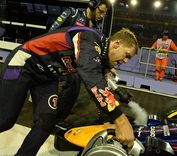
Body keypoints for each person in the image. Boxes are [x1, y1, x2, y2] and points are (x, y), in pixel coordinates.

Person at [0, 27, 138, 155]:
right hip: (21, 64)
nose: (126, 61)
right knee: (5, 120)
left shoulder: (101, 57)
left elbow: (101, 90)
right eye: (127, 55)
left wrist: (107, 120)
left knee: (46, 124)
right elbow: (90, 75)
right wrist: (121, 120)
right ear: (117, 44)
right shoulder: (90, 37)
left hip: (47, 78)